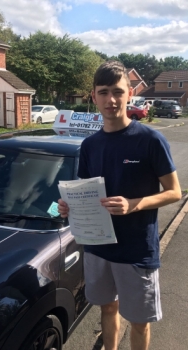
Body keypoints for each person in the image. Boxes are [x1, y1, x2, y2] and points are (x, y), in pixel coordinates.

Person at [58, 60, 181, 350]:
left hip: (136, 250)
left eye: (117, 91)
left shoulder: (150, 140)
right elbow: (85, 193)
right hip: (98, 247)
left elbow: (174, 192)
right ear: (93, 96)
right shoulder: (90, 145)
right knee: (107, 309)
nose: (110, 100)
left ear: (129, 93)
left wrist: (134, 204)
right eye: (103, 92)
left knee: (139, 322)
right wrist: (68, 207)